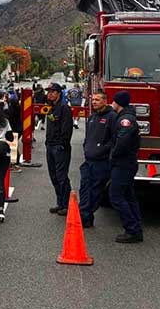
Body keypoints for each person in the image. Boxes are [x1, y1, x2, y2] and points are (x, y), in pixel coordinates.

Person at [109, 91, 143, 243]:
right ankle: (136, 227)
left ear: (118, 103)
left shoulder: (126, 120)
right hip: (127, 162)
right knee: (129, 197)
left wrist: (113, 156)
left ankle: (132, 229)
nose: (112, 103)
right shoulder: (126, 117)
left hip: (123, 163)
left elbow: (122, 141)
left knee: (116, 196)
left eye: (114, 101)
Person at [79, 92, 114, 228]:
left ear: (105, 101)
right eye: (93, 100)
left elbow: (114, 139)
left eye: (97, 100)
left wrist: (102, 150)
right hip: (88, 161)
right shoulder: (92, 117)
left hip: (101, 162)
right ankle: (84, 216)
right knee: (84, 189)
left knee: (95, 191)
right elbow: (88, 137)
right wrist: (86, 147)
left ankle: (86, 215)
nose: (94, 102)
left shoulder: (111, 117)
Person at [43, 83, 73, 216]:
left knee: (61, 177)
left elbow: (67, 129)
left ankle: (67, 204)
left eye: (52, 91)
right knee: (53, 176)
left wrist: (62, 144)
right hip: (50, 146)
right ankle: (60, 203)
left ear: (58, 93)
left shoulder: (64, 108)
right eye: (48, 91)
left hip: (60, 148)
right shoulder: (51, 107)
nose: (49, 94)